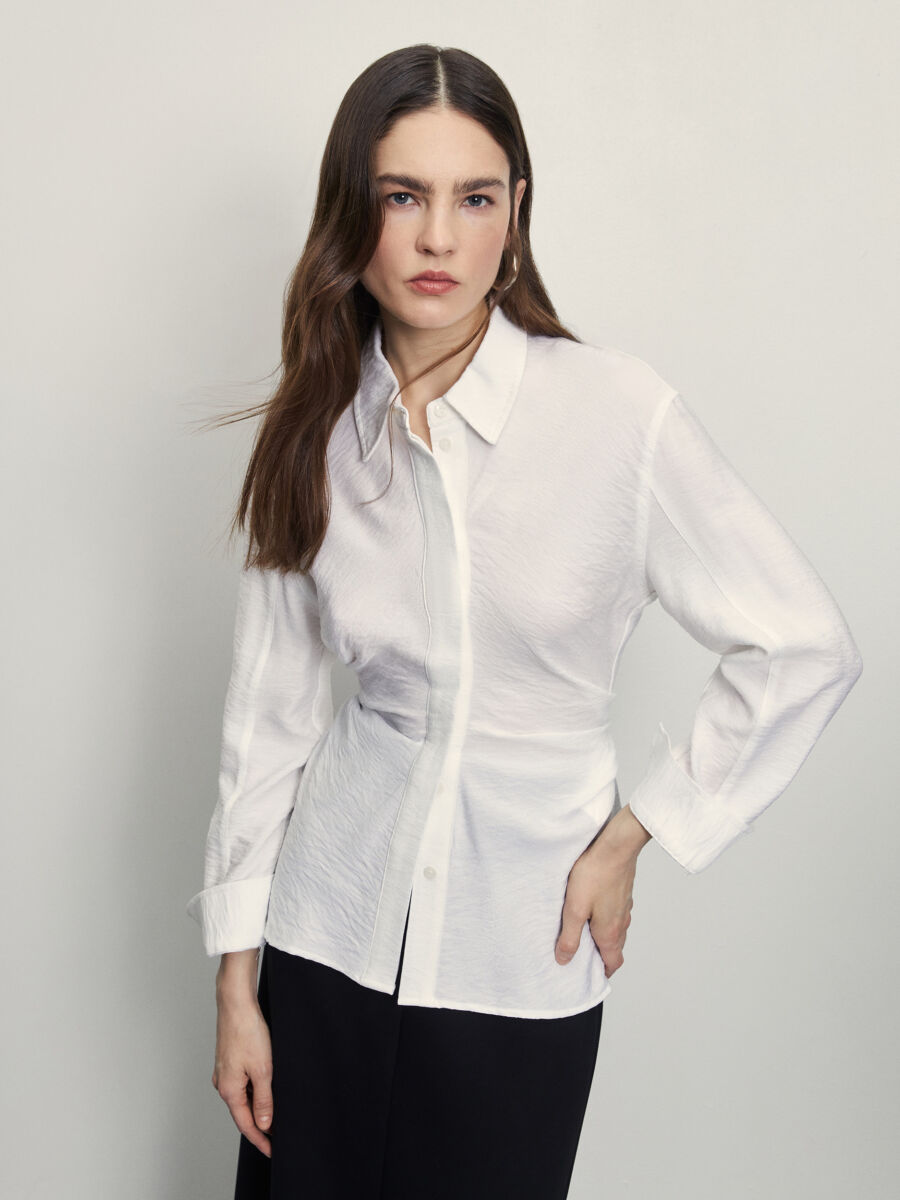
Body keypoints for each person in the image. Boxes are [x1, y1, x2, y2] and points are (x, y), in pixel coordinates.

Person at [186, 43, 863, 1200]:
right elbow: (269, 724)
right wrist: (237, 984)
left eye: (474, 199)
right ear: (353, 212)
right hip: (325, 942)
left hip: (518, 959)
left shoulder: (617, 416)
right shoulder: (313, 432)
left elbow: (806, 644)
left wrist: (637, 833)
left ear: (515, 216)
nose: (437, 239)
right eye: (403, 196)